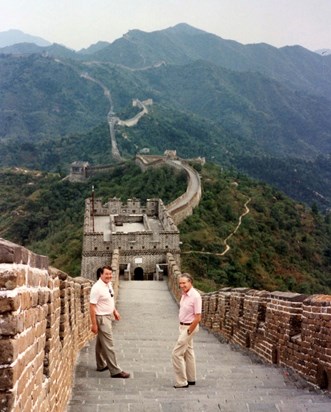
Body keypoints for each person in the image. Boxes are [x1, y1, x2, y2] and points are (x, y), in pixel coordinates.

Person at [89, 265, 130, 378]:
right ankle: (115, 370)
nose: (109, 276)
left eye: (110, 274)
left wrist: (114, 311)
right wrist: (93, 324)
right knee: (109, 344)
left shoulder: (108, 284)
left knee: (101, 343)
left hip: (108, 316)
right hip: (101, 318)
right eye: (106, 274)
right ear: (100, 274)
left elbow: (110, 299)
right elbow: (92, 306)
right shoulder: (97, 288)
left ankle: (101, 364)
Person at [172, 273, 202, 388]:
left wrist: (189, 331)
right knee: (188, 352)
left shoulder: (195, 296)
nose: (181, 285)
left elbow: (198, 317)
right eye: (180, 283)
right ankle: (191, 379)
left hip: (189, 327)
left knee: (176, 353)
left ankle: (181, 382)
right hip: (183, 326)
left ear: (190, 282)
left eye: (184, 282)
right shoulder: (185, 294)